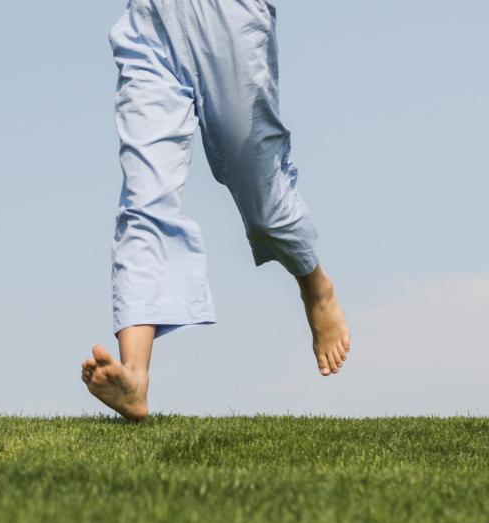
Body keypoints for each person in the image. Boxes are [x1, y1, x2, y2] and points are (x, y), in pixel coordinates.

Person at [82, 0, 350, 421]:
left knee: (263, 202)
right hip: (151, 23)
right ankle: (135, 376)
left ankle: (315, 285)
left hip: (230, 21)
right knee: (143, 200)